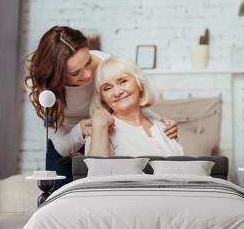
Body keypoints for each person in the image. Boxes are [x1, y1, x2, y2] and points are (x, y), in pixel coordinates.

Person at [27, 26, 178, 191]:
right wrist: (80, 131)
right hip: (66, 139)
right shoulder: (41, 87)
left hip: (104, 130)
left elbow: (126, 99)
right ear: (56, 75)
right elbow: (62, 147)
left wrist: (159, 123)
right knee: (57, 194)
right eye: (75, 73)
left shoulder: (106, 63)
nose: (87, 75)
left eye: (88, 62)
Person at [86, 56, 184, 156]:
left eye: (123, 81)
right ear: (103, 98)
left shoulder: (164, 127)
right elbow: (97, 170)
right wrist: (100, 128)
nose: (117, 92)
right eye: (107, 88)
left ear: (139, 84)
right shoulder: (100, 130)